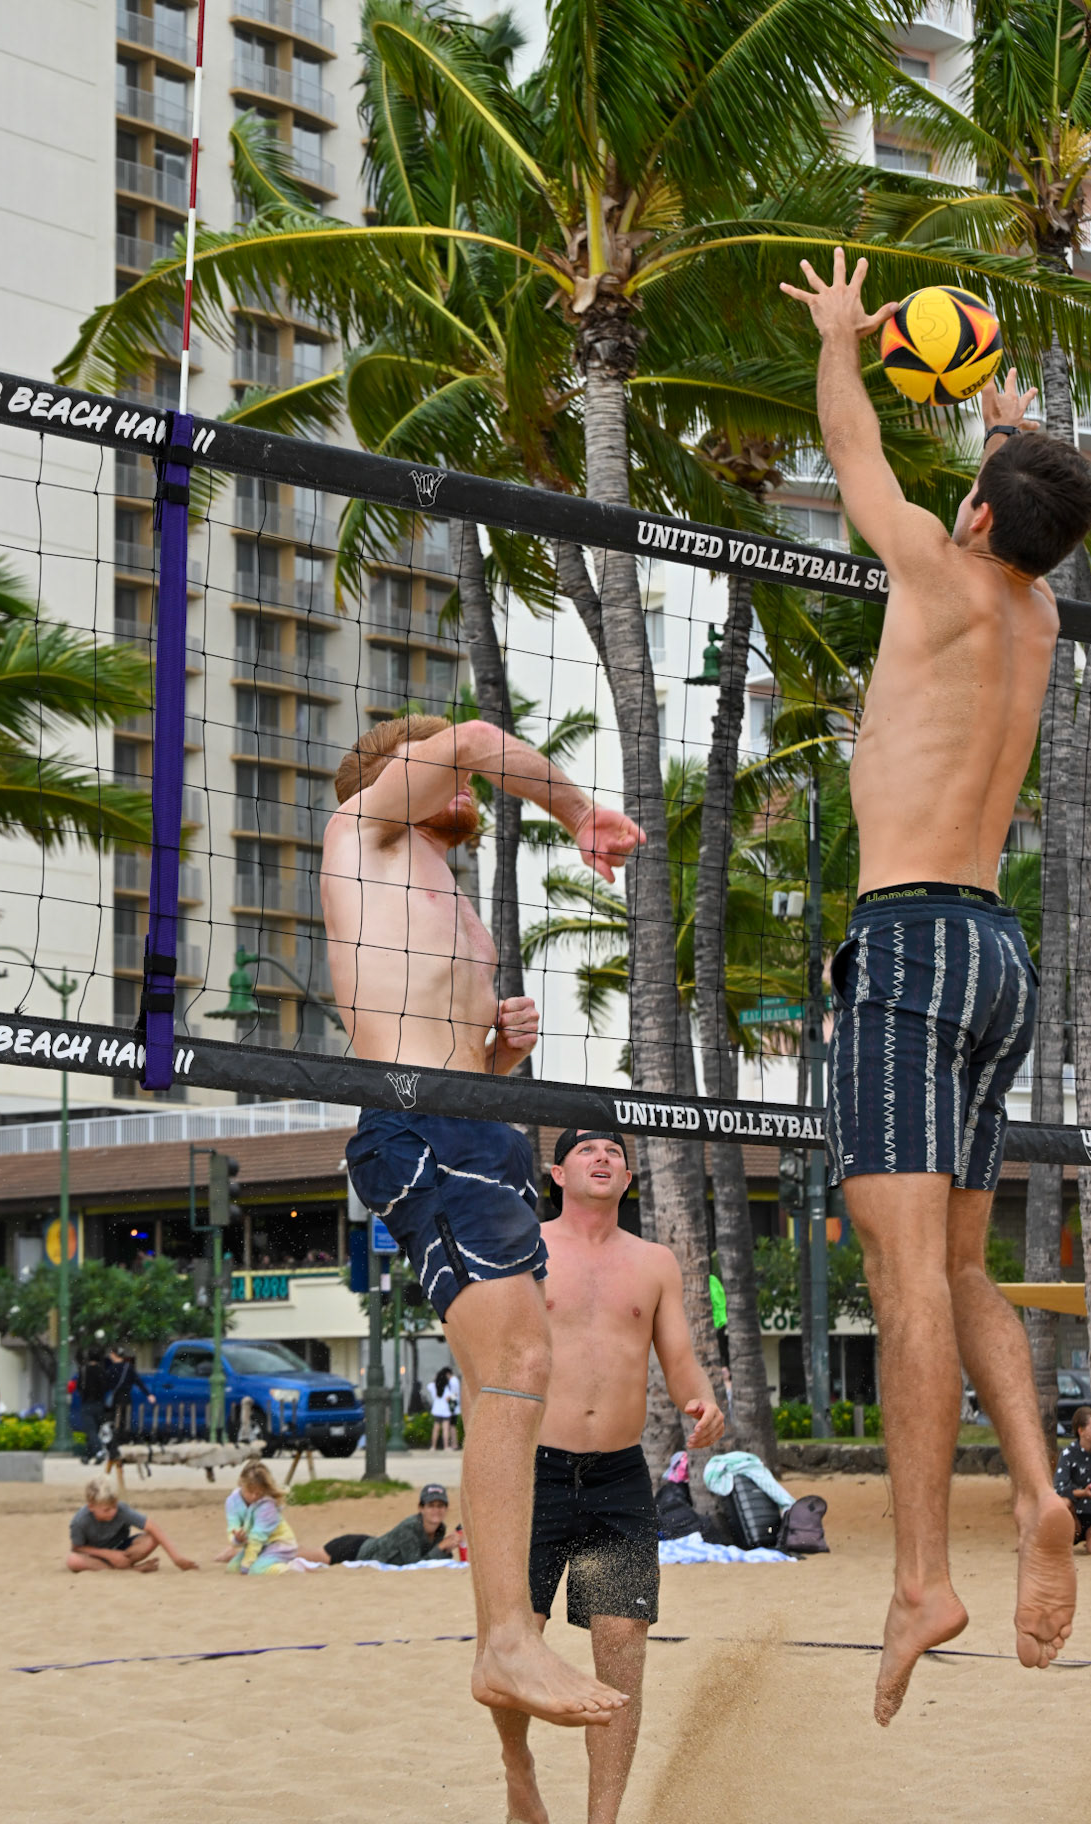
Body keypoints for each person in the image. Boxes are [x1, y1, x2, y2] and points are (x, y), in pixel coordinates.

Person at [782, 251, 1091, 1724]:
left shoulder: (928, 564)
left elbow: (849, 442)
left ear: (971, 517)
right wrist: (1006, 435)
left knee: (905, 1281)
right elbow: (1025, 513)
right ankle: (1041, 1493)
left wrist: (845, 338)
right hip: (996, 951)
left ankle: (920, 1575)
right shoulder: (1034, 617)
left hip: (907, 947)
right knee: (962, 1267)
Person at [324, 712, 645, 1729]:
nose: (460, 781)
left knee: (525, 1363)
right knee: (512, 1358)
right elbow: (466, 735)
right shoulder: (362, 826)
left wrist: (500, 1045)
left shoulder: (437, 881)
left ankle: (509, 1640)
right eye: (434, 768)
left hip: (480, 1123)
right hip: (421, 1123)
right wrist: (579, 808)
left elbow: (432, 1018)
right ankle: (504, 1635)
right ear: (390, 773)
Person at [490, 1128, 725, 1824]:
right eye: (587, 1151)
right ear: (557, 1172)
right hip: (533, 1472)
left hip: (619, 1478)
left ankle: (603, 1820)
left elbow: (677, 1355)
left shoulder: (653, 1263)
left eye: (614, 1153)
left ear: (628, 1178)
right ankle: (518, 1770)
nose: (602, 1158)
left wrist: (702, 1398)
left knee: (620, 1646)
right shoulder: (525, 1247)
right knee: (514, 1640)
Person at [300, 1481, 465, 1565]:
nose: (436, 1510)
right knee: (304, 1556)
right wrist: (442, 1547)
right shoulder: (410, 1527)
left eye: (440, 1506)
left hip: (369, 1544)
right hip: (354, 1550)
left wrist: (448, 1548)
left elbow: (432, 1559)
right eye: (431, 1506)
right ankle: (278, 1548)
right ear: (421, 1508)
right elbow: (414, 1564)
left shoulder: (439, 1529)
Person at [66, 1472, 199, 1573]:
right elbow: (77, 1547)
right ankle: (133, 1570)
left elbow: (153, 1527)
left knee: (153, 1538)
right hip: (96, 1557)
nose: (112, 1512)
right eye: (106, 1510)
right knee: (73, 1561)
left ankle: (125, 1567)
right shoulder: (79, 1521)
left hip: (124, 1551)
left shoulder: (122, 1509)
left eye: (114, 1507)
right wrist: (109, 1554)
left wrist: (177, 1558)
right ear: (91, 1507)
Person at [215, 1459, 316, 1574]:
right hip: (257, 1546)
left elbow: (257, 1537)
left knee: (256, 1570)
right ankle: (266, 1562)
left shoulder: (267, 1505)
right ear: (241, 1483)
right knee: (232, 1569)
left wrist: (247, 1563)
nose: (254, 1497)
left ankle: (294, 1567)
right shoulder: (232, 1501)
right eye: (250, 1491)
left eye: (259, 1493)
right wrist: (237, 1540)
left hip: (279, 1544)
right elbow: (232, 1527)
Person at [1054, 1406, 1091, 1555]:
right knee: (1063, 1502)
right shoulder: (1068, 1454)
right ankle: (1068, 1535)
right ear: (1081, 1431)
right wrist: (1084, 1493)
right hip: (1075, 1515)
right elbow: (1058, 1488)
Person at [428, 1366, 456, 1452]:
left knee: (436, 1429)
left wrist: (435, 1379)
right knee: (445, 1429)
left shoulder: (433, 1386)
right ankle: (446, 1446)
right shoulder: (447, 1387)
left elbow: (429, 1386)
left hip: (436, 1410)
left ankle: (433, 1446)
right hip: (445, 1410)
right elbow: (450, 1398)